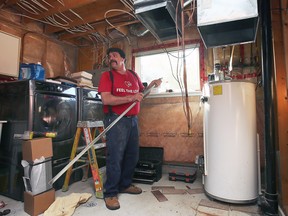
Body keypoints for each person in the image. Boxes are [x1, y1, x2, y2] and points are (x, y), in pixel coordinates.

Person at [98, 47, 162, 210]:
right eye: (109, 56)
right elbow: (106, 99)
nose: (111, 58)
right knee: (115, 156)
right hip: (116, 120)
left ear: (123, 59)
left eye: (114, 55)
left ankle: (125, 185)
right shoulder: (107, 76)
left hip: (133, 120)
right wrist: (130, 97)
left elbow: (140, 94)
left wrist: (151, 86)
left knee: (132, 155)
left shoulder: (133, 75)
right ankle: (110, 193)